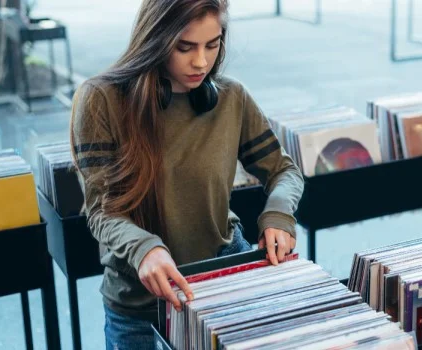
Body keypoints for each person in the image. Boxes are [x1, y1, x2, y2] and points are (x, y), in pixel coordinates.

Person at [69, 0, 304, 348]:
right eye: (185, 47)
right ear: (155, 39)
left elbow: (284, 170)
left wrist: (278, 215)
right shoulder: (100, 100)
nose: (201, 62)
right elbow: (102, 211)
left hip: (224, 283)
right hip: (141, 309)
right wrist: (144, 249)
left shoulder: (231, 98)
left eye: (213, 44)